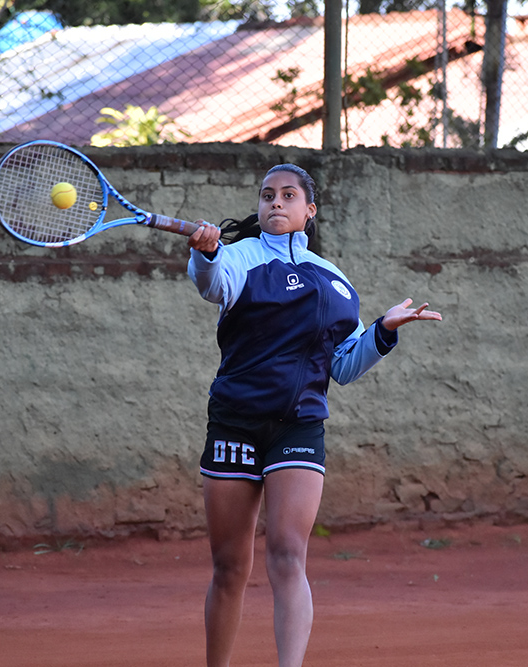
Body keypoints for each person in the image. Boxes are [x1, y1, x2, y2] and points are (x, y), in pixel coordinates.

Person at [186, 164, 441, 667]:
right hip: (235, 421)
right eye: (267, 196)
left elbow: (343, 366)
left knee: (288, 554)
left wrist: (383, 330)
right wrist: (205, 254)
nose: (275, 203)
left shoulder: (335, 281)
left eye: (288, 195)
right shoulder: (238, 258)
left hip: (299, 427)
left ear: (310, 211)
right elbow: (212, 285)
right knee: (230, 566)